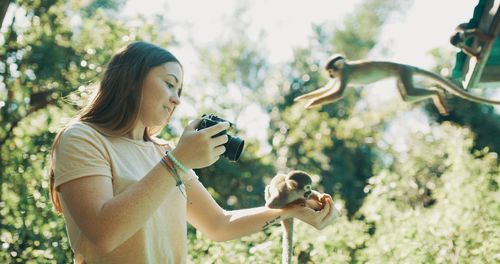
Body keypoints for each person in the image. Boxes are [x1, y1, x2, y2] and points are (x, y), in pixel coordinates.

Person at [49, 41, 337, 263]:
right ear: (132, 80)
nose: (176, 99)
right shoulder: (83, 138)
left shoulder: (163, 154)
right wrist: (178, 161)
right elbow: (103, 234)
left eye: (180, 90)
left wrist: (291, 212)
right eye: (169, 83)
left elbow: (219, 224)